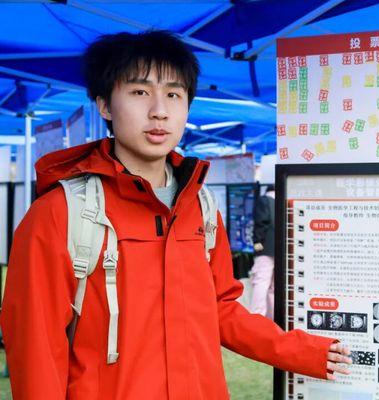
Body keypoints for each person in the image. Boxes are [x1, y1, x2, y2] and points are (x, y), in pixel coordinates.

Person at [0, 30, 351, 399]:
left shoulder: (200, 207)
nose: (159, 110)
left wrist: (306, 352)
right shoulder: (60, 214)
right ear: (104, 105)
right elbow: (36, 346)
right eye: (139, 92)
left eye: (173, 94)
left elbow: (222, 310)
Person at [250, 185, 276, 318]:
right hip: (280, 251)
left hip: (265, 248)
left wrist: (257, 241)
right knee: (272, 287)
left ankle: (257, 316)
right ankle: (273, 318)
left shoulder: (264, 200)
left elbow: (261, 222)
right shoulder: (284, 202)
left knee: (261, 281)